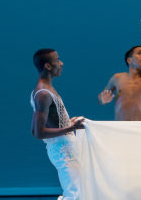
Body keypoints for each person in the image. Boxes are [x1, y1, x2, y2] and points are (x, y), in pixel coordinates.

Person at [30, 48, 85, 200]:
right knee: (74, 194)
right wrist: (72, 127)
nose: (61, 63)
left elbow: (42, 126)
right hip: (63, 149)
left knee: (77, 192)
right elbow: (38, 132)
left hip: (64, 146)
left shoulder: (45, 90)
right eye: (57, 60)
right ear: (48, 66)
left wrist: (68, 123)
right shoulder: (43, 94)